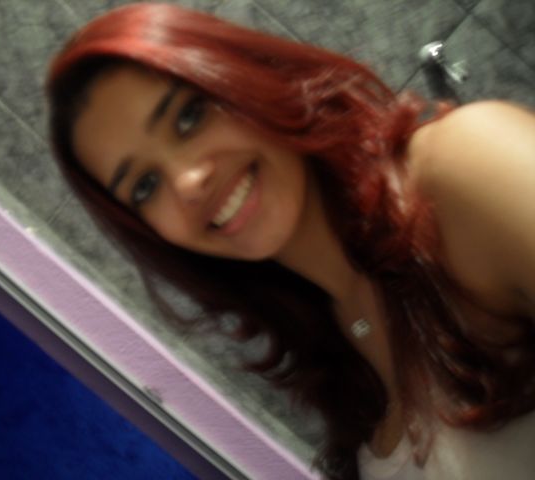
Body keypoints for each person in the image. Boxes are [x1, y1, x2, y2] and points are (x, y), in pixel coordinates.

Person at [46, 3, 535, 479]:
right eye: (145, 186)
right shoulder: (331, 346)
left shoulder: (460, 165)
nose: (189, 181)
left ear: (247, 77)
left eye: (190, 116)